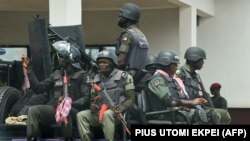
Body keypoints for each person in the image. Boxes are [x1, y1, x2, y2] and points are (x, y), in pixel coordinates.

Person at [25, 44, 91, 141]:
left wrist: (69, 103)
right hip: (55, 109)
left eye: (61, 56)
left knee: (65, 110)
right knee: (33, 110)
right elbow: (39, 88)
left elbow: (86, 98)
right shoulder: (56, 74)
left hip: (73, 110)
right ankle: (31, 138)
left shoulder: (83, 75)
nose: (58, 59)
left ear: (68, 59)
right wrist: (30, 72)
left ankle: (68, 138)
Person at [76, 49, 135, 141]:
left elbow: (131, 98)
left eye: (104, 62)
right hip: (99, 112)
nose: (101, 65)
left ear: (112, 63)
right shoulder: (96, 79)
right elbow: (92, 100)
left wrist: (122, 107)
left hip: (117, 113)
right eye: (99, 62)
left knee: (107, 115)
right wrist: (92, 106)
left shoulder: (125, 77)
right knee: (81, 115)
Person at [146, 50, 217, 124]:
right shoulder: (157, 80)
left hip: (175, 111)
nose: (177, 67)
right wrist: (192, 102)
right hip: (163, 114)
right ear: (168, 65)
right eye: (175, 64)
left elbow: (178, 98)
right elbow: (171, 101)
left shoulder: (171, 79)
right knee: (199, 114)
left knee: (210, 114)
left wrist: (183, 107)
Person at [177, 47, 231, 124]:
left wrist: (209, 106)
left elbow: (204, 93)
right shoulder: (180, 73)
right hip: (184, 107)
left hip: (196, 106)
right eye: (202, 60)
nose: (203, 62)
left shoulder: (196, 76)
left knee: (224, 114)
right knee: (215, 116)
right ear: (194, 60)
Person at [116, 2, 149, 77]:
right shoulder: (140, 34)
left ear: (126, 16)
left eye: (121, 15)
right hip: (140, 75)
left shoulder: (127, 35)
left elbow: (121, 61)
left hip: (128, 76)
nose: (119, 17)